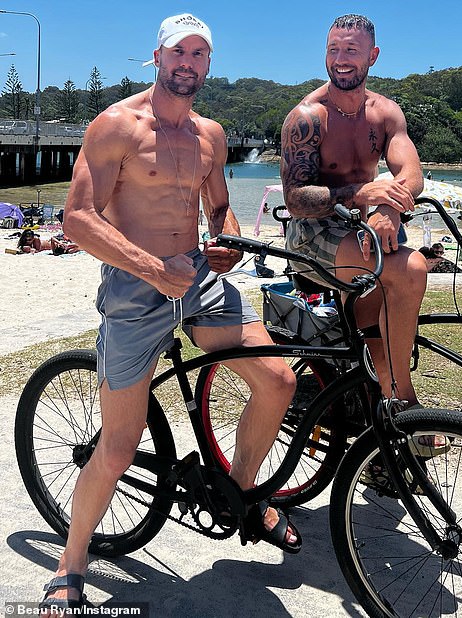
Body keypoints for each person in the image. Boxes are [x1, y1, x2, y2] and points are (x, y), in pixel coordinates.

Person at [39, 13, 300, 614]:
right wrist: (153, 270)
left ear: (209, 65)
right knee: (120, 447)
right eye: (178, 51)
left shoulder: (210, 134)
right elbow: (76, 219)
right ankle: (71, 560)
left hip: (199, 280)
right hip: (136, 287)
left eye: (200, 54)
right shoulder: (116, 126)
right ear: (156, 57)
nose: (188, 62)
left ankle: (240, 495)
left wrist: (228, 242)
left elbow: (221, 213)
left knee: (278, 380)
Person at [281, 15, 447, 456]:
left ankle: (378, 447)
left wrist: (390, 206)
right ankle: (404, 404)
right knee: (409, 267)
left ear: (372, 55)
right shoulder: (307, 117)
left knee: (375, 332)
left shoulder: (385, 113)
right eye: (334, 49)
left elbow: (410, 172)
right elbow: (295, 198)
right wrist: (362, 192)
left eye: (351, 50)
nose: (341, 59)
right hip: (309, 236)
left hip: (361, 230)